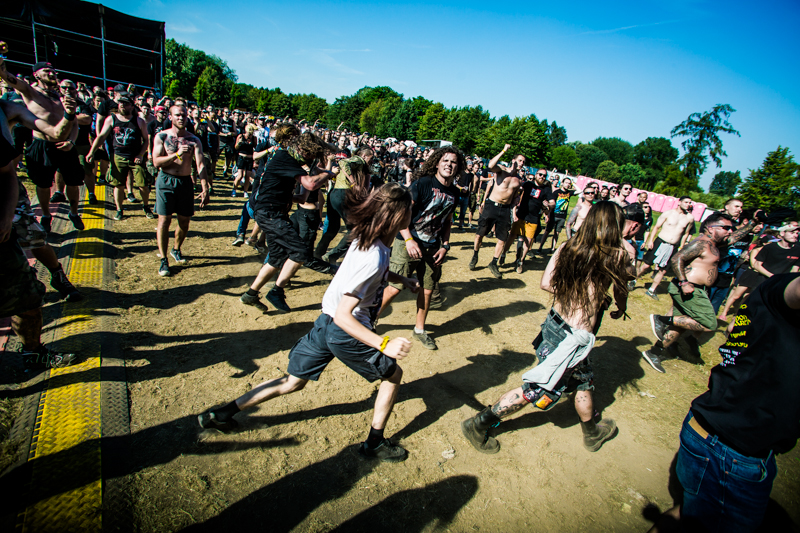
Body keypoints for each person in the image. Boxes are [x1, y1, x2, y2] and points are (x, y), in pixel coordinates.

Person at [198, 184, 420, 462]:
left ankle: (221, 414)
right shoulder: (374, 256)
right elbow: (344, 315)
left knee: (292, 382)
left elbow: (364, 275)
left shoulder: (367, 240)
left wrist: (402, 280)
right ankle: (374, 443)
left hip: (324, 325)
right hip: (343, 331)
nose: (413, 209)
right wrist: (383, 343)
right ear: (397, 216)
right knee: (394, 375)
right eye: (409, 206)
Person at [460, 202, 629, 454]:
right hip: (574, 337)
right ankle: (479, 423)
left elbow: (546, 283)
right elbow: (622, 289)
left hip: (554, 324)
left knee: (583, 381)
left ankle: (592, 432)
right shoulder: (617, 255)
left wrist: (582, 295)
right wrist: (615, 304)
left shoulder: (567, 246)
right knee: (537, 388)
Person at [650, 273, 800, 533]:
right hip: (730, 448)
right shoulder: (781, 291)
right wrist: (685, 282)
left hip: (732, 441)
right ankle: (662, 329)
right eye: (725, 227)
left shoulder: (771, 304)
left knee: (689, 513)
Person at [0, 79, 77, 370]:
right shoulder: (24, 92)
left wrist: (69, 115)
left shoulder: (8, 108)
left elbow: (56, 131)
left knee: (36, 243)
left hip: (8, 204)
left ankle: (58, 275)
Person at [641, 212, 761, 373]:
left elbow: (734, 238)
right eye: (725, 228)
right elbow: (677, 258)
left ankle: (653, 353)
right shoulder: (702, 243)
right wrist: (684, 283)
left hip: (695, 289)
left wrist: (752, 223)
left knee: (680, 326)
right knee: (709, 323)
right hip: (689, 289)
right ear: (710, 228)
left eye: (730, 228)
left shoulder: (714, 244)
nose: (729, 231)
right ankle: (661, 320)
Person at [238, 124, 333, 311]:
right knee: (300, 251)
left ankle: (250, 294)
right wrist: (328, 174)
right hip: (269, 213)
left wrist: (300, 196)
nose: (309, 161)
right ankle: (276, 291)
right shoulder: (285, 157)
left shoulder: (286, 158)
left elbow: (297, 194)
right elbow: (310, 184)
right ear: (302, 149)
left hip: (274, 211)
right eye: (310, 156)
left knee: (276, 256)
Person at [378, 146, 463, 350]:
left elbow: (447, 221)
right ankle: (369, 320)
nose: (449, 165)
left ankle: (419, 330)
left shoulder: (454, 193)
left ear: (458, 167)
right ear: (436, 163)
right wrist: (408, 239)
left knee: (427, 290)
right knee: (394, 288)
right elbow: (402, 211)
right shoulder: (423, 184)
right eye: (445, 161)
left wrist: (445, 245)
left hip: (433, 247)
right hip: (408, 242)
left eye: (453, 162)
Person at [0, 56, 84, 232]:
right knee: (43, 184)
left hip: (65, 146)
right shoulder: (30, 92)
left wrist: (71, 141)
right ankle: (46, 215)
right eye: (46, 71)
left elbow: (74, 122)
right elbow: (6, 76)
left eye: (53, 70)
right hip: (42, 145)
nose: (51, 73)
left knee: (73, 182)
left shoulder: (62, 95)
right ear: (36, 74)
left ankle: (74, 213)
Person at [150, 105, 209, 277]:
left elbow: (200, 164)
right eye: (177, 115)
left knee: (184, 221)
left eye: (184, 115)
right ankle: (163, 260)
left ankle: (176, 249)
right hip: (166, 180)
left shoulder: (194, 140)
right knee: (164, 220)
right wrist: (176, 154)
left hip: (185, 182)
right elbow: (156, 161)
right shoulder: (161, 136)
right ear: (171, 117)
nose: (181, 118)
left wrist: (205, 187)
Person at [87, 93, 151, 220]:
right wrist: (91, 151)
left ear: (132, 106)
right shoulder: (111, 119)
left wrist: (141, 154)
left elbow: (146, 140)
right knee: (118, 185)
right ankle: (119, 209)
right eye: (120, 103)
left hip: (135, 157)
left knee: (143, 184)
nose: (122, 105)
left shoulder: (139, 121)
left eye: (126, 103)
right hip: (118, 156)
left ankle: (146, 206)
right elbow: (101, 136)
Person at [718, 221, 799, 320]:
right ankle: (732, 320)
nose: (795, 235)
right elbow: (756, 265)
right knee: (746, 300)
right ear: (782, 233)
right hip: (760, 281)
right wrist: (773, 277)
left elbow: (795, 269)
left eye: (797, 233)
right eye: (792, 232)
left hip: (779, 285)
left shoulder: (798, 250)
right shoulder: (770, 248)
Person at [470, 144, 524, 278]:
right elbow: (490, 165)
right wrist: (504, 150)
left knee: (502, 238)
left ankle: (493, 262)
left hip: (505, 210)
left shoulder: (518, 181)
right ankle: (475, 254)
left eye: (523, 162)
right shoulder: (501, 171)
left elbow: (513, 200)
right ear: (513, 160)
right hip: (491, 206)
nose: (521, 163)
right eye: (519, 160)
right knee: (480, 234)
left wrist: (514, 213)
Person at [315, 147, 374, 264]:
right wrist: (353, 182)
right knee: (355, 229)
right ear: (364, 156)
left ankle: (317, 255)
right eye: (371, 158)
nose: (372, 161)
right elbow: (343, 162)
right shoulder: (358, 160)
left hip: (335, 194)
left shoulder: (360, 165)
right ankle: (332, 255)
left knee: (332, 228)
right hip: (343, 194)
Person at [634, 196, 696, 300]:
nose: (688, 204)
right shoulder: (668, 213)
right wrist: (650, 241)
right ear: (679, 202)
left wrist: (681, 246)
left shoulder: (690, 218)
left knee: (663, 270)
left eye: (690, 203)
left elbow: (686, 234)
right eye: (686, 202)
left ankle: (652, 290)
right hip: (660, 242)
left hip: (673, 246)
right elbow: (656, 227)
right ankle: (633, 281)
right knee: (646, 265)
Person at [503, 169, 554, 274]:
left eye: (544, 176)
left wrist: (548, 205)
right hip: (521, 215)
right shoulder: (528, 185)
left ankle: (520, 262)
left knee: (528, 240)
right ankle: (503, 253)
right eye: (540, 174)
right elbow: (517, 192)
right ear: (536, 175)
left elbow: (552, 203)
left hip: (534, 218)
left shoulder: (546, 190)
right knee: (512, 236)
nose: (542, 177)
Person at [538, 176, 577, 253]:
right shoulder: (556, 192)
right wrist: (548, 215)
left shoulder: (569, 193)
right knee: (547, 231)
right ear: (562, 183)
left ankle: (552, 248)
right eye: (566, 183)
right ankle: (540, 247)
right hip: (553, 215)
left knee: (557, 233)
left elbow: (580, 191)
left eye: (569, 183)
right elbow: (551, 204)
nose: (567, 185)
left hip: (562, 217)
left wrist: (573, 183)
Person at [232, 124, 256, 198]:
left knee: (247, 176)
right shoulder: (241, 136)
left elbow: (255, 147)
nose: (250, 135)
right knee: (240, 175)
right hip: (241, 157)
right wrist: (239, 143)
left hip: (250, 158)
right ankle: (234, 189)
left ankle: (245, 191)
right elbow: (236, 147)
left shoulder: (254, 138)